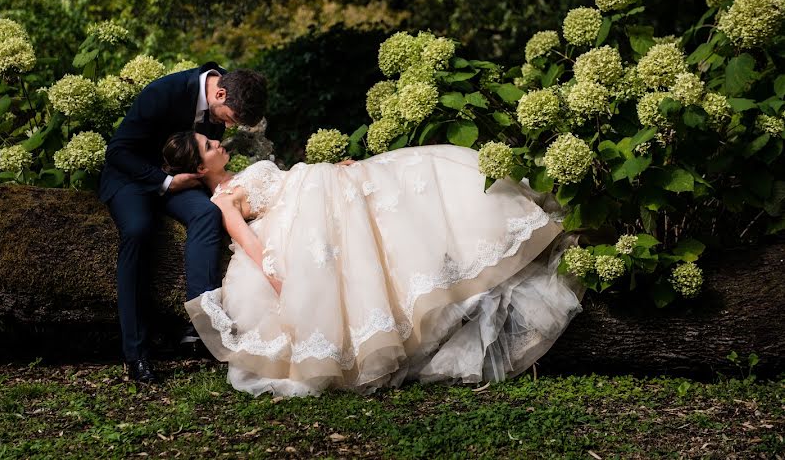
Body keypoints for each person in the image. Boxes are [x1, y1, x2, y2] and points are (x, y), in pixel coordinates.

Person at [163, 131, 583, 397]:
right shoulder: (222, 199)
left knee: (420, 169)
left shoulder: (243, 169)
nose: (217, 143)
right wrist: (278, 278)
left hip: (316, 185)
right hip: (304, 218)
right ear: (200, 167)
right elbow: (248, 240)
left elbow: (287, 177)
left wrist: (332, 169)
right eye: (208, 146)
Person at [99, 64, 267, 383]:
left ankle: (201, 323)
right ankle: (135, 354)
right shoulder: (164, 93)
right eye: (229, 118)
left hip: (183, 180)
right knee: (137, 230)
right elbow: (118, 151)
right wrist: (164, 182)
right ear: (219, 93)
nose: (227, 126)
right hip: (133, 178)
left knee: (206, 213)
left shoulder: (227, 92)